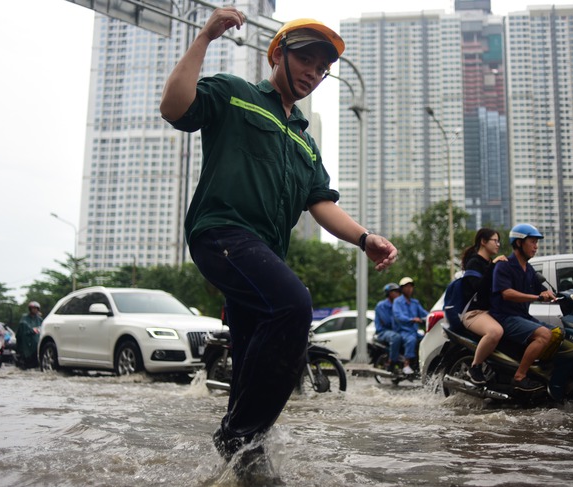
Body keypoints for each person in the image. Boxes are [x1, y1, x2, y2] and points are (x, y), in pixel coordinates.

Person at [159, 8, 398, 479]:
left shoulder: (306, 143)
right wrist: (206, 36)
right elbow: (174, 108)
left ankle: (241, 457)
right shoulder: (236, 94)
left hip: (263, 254)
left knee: (262, 359)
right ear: (279, 56)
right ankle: (239, 437)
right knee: (293, 305)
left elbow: (321, 204)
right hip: (221, 233)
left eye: (321, 68)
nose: (313, 73)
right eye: (306, 60)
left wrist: (365, 237)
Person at [489, 224, 556, 391]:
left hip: (521, 316)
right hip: (505, 317)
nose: (536, 246)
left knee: (557, 333)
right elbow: (507, 293)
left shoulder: (529, 269)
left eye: (536, 242)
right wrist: (538, 297)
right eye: (532, 242)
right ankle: (519, 376)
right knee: (544, 335)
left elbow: (542, 289)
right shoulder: (504, 265)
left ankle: (541, 373)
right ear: (519, 243)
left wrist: (552, 294)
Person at [459, 228, 507, 385]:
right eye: (495, 240)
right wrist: (493, 265)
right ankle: (475, 366)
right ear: (483, 242)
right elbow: (479, 287)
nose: (498, 244)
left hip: (490, 312)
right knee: (495, 332)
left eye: (499, 241)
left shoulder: (488, 263)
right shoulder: (474, 263)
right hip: (474, 313)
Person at [392, 277, 427, 375]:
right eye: (406, 287)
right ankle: (406, 364)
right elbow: (398, 316)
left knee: (425, 339)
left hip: (414, 331)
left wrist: (433, 316)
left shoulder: (415, 302)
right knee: (411, 340)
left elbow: (424, 313)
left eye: (411, 287)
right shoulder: (397, 301)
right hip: (402, 331)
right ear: (402, 289)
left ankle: (420, 363)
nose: (409, 289)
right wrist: (411, 319)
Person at [373, 283, 403, 372]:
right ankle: (391, 362)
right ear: (388, 293)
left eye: (398, 292)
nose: (397, 294)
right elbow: (387, 321)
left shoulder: (399, 305)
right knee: (396, 337)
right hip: (383, 331)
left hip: (396, 330)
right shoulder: (381, 305)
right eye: (394, 292)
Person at [16, 301, 42, 369]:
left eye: (36, 308)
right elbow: (23, 328)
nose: (35, 310)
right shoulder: (24, 318)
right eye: (33, 308)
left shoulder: (39, 319)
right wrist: (32, 330)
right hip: (26, 342)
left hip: (36, 342)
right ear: (30, 309)